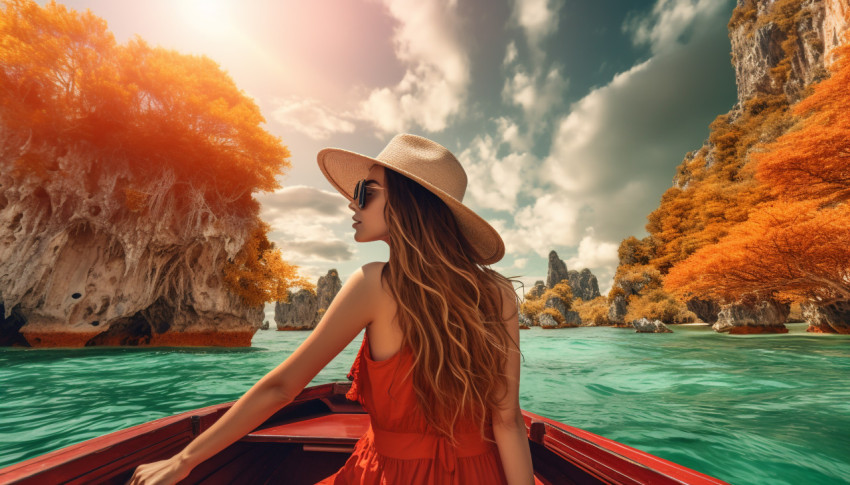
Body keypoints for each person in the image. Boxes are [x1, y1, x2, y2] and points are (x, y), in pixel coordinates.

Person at [128, 134, 535, 485]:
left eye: (366, 192)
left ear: (410, 204)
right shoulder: (499, 292)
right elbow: (507, 422)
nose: (351, 204)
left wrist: (183, 462)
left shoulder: (375, 283)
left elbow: (281, 388)